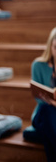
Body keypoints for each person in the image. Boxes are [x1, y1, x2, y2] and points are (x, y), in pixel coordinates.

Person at [31, 27, 56, 161]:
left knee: (49, 132)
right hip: (43, 112)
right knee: (47, 110)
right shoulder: (38, 65)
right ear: (50, 46)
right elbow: (38, 96)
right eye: (55, 47)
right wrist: (52, 102)